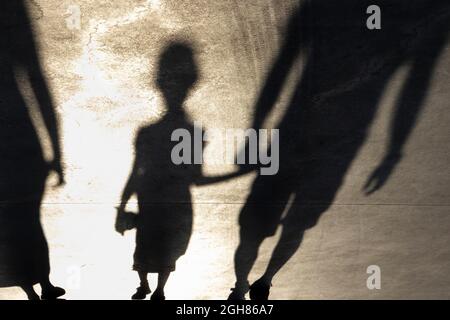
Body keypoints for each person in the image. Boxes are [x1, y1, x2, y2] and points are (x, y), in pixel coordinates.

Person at [117, 42, 240, 300]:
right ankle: (155, 289)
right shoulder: (188, 134)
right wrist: (243, 171)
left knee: (149, 247)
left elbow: (136, 173)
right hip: (170, 202)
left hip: (157, 200)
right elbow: (196, 179)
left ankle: (151, 288)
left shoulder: (152, 132)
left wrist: (122, 206)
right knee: (162, 249)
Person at [0, 1, 65, 300]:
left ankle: (33, 288)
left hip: (16, 141)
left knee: (8, 227)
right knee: (28, 220)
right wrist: (56, 148)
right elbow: (35, 78)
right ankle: (42, 284)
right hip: (18, 137)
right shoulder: (10, 9)